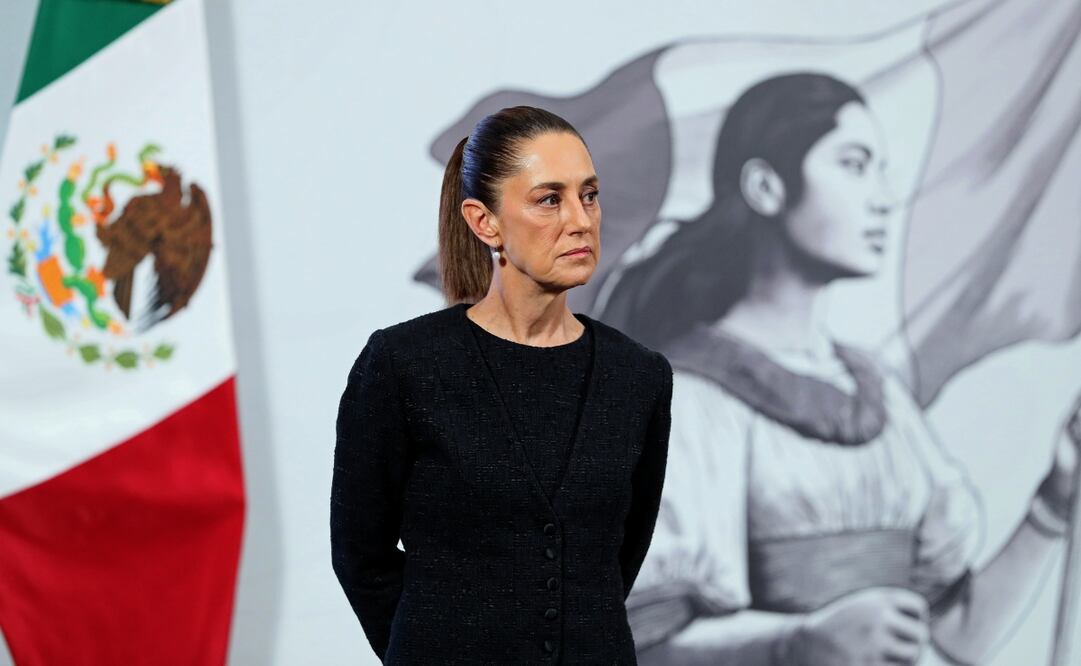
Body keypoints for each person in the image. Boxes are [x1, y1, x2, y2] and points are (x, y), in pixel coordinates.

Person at [599, 74, 1081, 665]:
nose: (882, 197)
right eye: (854, 165)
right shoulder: (691, 400)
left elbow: (959, 634)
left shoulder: (878, 396)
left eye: (882, 169)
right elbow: (640, 645)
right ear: (766, 187)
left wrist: (1055, 500)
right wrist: (796, 643)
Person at [330, 105, 673, 664]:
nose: (581, 220)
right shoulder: (404, 363)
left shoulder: (639, 375)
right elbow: (359, 554)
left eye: (589, 194)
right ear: (484, 221)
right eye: (548, 198)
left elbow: (616, 561)